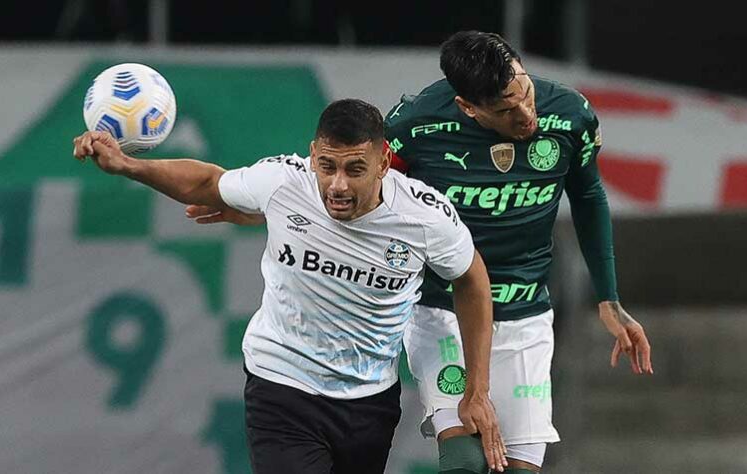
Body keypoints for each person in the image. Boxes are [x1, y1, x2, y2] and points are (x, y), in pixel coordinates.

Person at [188, 32, 655, 474]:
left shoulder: (570, 114)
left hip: (525, 313)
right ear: (467, 107)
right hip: (441, 310)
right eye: (507, 109)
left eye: (526, 93)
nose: (526, 116)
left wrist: (609, 299)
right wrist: (260, 212)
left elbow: (590, 197)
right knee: (467, 464)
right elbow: (353, 193)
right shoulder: (416, 124)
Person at [71, 98, 508, 474]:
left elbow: (471, 279)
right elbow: (208, 182)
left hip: (369, 398)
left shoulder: (424, 217)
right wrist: (129, 165)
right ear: (312, 153)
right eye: (327, 166)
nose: (337, 184)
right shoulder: (283, 181)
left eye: (355, 169)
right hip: (281, 384)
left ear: (382, 161)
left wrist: (477, 391)